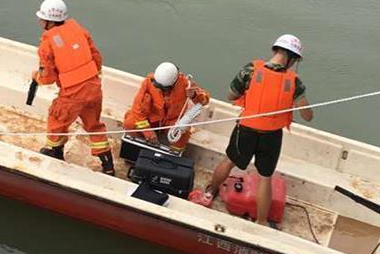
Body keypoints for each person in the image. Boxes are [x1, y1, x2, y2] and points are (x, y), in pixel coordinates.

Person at [191, 35, 313, 225]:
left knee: (229, 160)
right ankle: (261, 222)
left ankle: (209, 194)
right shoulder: (294, 82)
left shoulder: (250, 70)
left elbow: (232, 94)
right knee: (265, 177)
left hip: (246, 129)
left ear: (275, 50)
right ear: (293, 59)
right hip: (271, 136)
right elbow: (307, 115)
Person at [33, 0, 115, 175]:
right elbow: (97, 58)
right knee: (94, 126)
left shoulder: (47, 44)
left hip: (72, 95)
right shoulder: (79, 30)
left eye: (42, 18)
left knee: (57, 120)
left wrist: (37, 77)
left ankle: (55, 153)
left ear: (48, 21)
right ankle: (108, 166)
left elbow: (47, 78)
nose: (39, 21)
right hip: (94, 88)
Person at [123, 62, 210, 153]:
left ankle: (172, 156)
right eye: (158, 86)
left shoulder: (186, 84)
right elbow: (137, 109)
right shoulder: (148, 83)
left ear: (174, 82)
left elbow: (204, 101)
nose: (161, 90)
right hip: (151, 119)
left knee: (181, 135)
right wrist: (148, 132)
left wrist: (194, 95)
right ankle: (139, 149)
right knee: (129, 123)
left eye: (165, 88)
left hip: (172, 121)